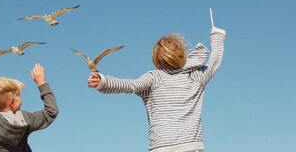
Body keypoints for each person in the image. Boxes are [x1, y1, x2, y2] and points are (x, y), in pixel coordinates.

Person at [88, 25, 226, 152]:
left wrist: (104, 82)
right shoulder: (195, 77)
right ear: (182, 55)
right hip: (190, 146)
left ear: (156, 59)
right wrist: (217, 36)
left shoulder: (155, 78)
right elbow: (214, 62)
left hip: (161, 147)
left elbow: (130, 85)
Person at [0, 62, 58, 152]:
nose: (21, 97)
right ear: (12, 102)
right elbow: (51, 111)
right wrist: (41, 83)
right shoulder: (25, 120)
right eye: (19, 95)